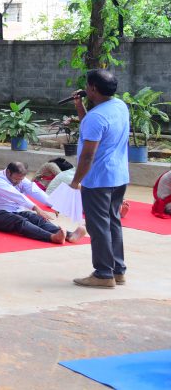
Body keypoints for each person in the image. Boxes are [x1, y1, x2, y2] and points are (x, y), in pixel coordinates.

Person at [70, 69, 131, 288]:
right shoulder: (119, 107)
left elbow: (87, 156)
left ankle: (103, 273)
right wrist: (80, 106)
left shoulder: (97, 117)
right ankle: (118, 270)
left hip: (97, 180)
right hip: (118, 176)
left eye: (87, 86)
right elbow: (93, 128)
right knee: (113, 221)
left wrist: (76, 181)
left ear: (93, 89)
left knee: (98, 227)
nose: (86, 89)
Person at [0, 161, 85, 245]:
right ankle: (51, 237)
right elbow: (16, 196)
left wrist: (53, 204)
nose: (18, 182)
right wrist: (36, 208)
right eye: (16, 179)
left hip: (13, 211)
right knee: (19, 221)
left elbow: (34, 190)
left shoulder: (20, 178)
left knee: (36, 218)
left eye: (21, 179)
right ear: (8, 172)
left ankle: (69, 235)